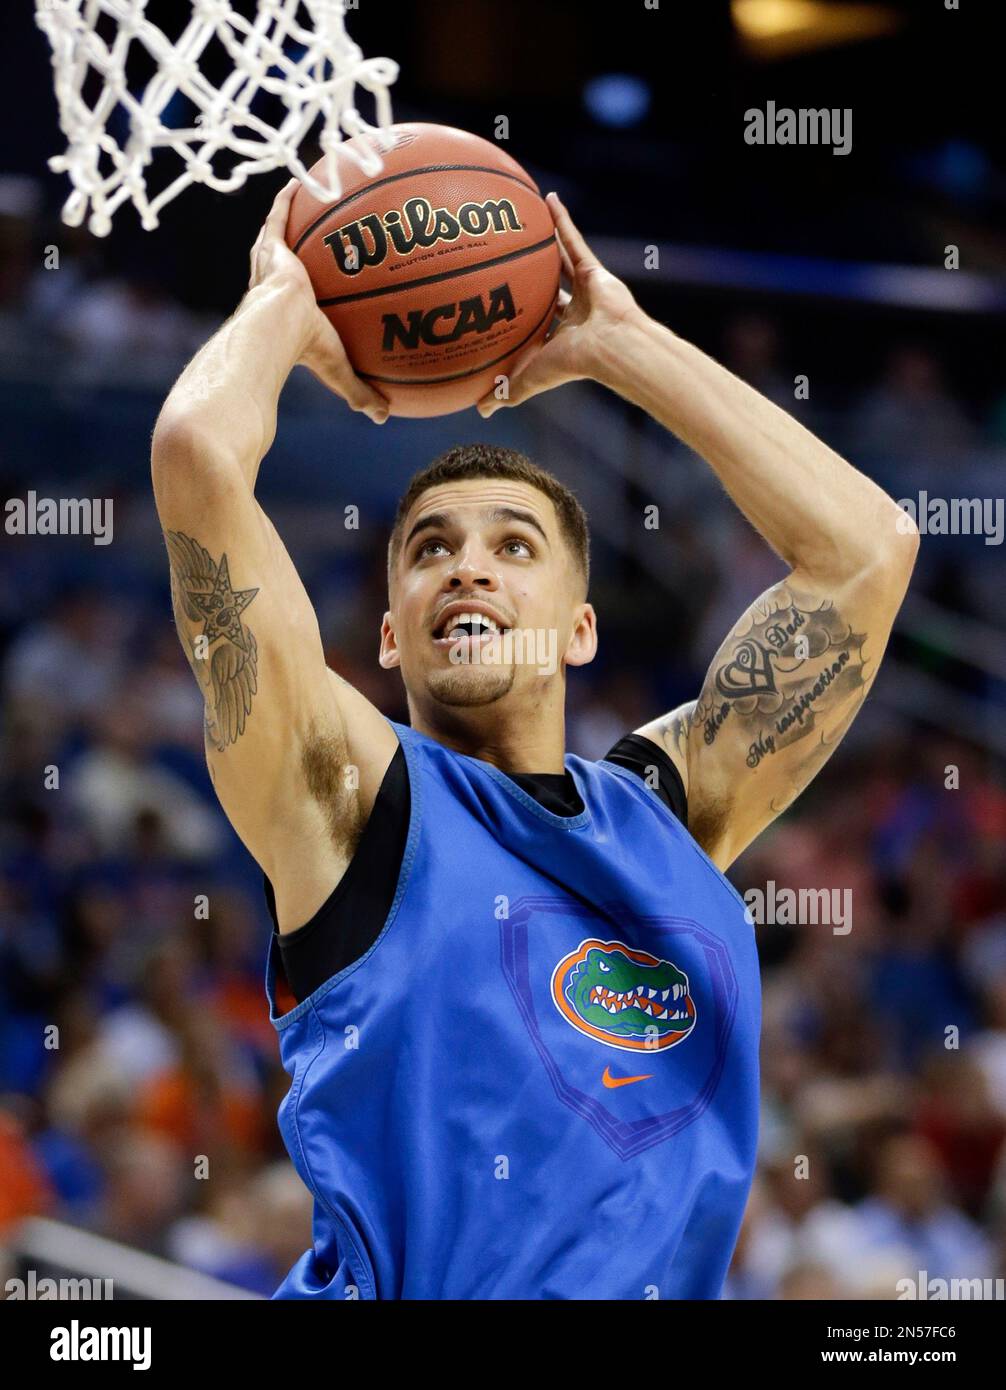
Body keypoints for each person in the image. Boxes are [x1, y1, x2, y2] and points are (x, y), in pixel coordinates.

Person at [150, 180, 919, 1299]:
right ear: (389, 630)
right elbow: (196, 455)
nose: (466, 565)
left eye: (514, 547)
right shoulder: (352, 797)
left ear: (579, 627)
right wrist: (288, 304)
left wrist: (623, 342)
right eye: (428, 549)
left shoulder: (667, 810)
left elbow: (867, 551)